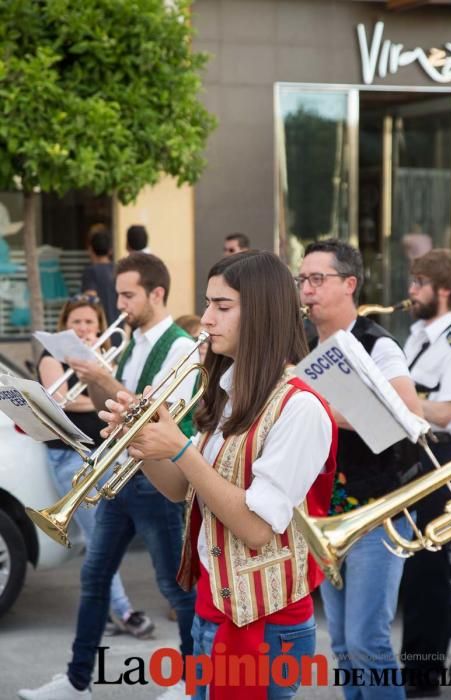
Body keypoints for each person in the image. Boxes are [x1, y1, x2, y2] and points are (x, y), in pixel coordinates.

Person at [99, 250, 338, 699]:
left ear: (263, 312)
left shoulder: (300, 407)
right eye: (207, 304)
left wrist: (182, 450)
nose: (206, 319)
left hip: (265, 627)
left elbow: (255, 529)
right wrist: (142, 440)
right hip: (213, 611)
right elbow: (180, 492)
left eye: (222, 307)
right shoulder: (227, 392)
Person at [19, 253, 197, 700]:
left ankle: (195, 681)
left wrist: (102, 374)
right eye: (117, 293)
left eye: (128, 294)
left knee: (174, 590)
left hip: (155, 483)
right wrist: (94, 377)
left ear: (157, 293)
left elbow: (156, 417)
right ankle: (78, 681)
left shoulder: (178, 346)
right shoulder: (131, 341)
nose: (119, 304)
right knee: (94, 578)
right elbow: (113, 407)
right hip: (118, 476)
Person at [298, 238, 422, 700]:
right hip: (323, 510)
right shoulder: (305, 342)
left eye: (317, 280)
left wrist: (320, 407)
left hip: (376, 512)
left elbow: (409, 420)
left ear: (349, 284)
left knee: (369, 642)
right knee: (346, 645)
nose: (306, 291)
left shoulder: (378, 344)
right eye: (302, 279)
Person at [36, 294, 151, 639]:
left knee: (105, 534)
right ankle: (122, 610)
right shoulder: (51, 357)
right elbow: (60, 401)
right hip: (70, 454)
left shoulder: (105, 357)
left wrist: (99, 377)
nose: (84, 328)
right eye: (77, 323)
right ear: (65, 328)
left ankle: (101, 609)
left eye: (89, 322)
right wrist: (97, 384)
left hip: (104, 454)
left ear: (99, 326)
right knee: (100, 535)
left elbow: (121, 396)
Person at [400, 249, 451, 697]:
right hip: (412, 452)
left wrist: (393, 399)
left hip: (442, 457)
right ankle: (421, 668)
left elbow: (447, 411)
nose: (410, 290)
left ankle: (422, 674)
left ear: (443, 290)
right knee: (421, 572)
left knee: (428, 571)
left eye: (419, 282)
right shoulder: (414, 337)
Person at [81, 230, 119, 327]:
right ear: (110, 250)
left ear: (90, 249)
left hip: (101, 328)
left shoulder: (91, 272)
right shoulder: (118, 269)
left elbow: (90, 299)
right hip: (119, 326)